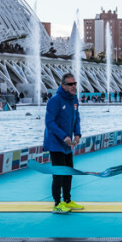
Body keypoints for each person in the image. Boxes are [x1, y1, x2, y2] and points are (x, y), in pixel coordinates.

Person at [44, 73, 82, 214]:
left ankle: (67, 200)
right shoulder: (55, 100)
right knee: (59, 173)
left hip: (67, 144)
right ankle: (57, 203)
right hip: (55, 143)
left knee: (68, 172)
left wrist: (77, 134)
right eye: (70, 84)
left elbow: (76, 118)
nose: (74, 86)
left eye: (75, 83)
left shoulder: (74, 100)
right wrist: (64, 136)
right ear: (63, 86)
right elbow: (49, 122)